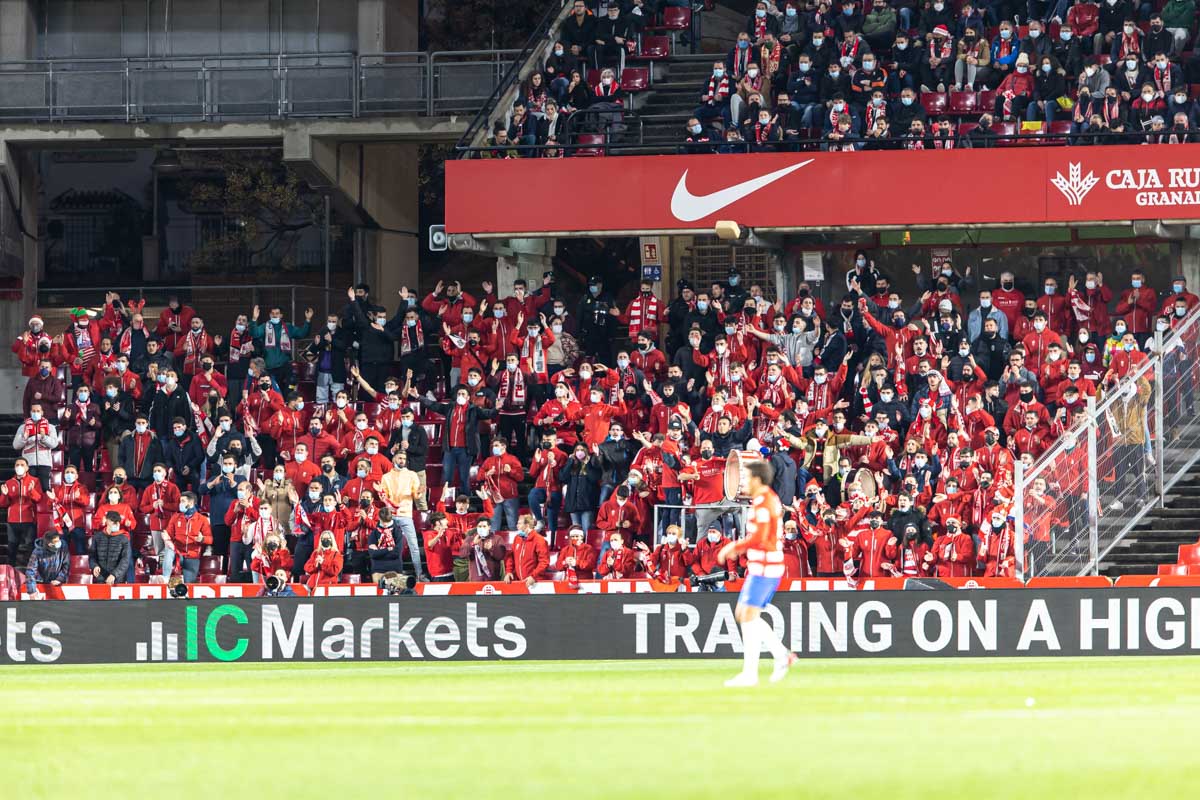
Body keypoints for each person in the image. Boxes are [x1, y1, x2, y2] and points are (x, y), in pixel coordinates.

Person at [718, 460, 797, 687]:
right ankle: (781, 655)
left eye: (745, 476)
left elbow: (761, 537)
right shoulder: (766, 499)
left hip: (766, 566)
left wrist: (734, 547)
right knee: (744, 614)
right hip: (761, 566)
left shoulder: (764, 501)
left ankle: (751, 673)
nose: (742, 481)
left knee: (747, 615)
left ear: (756, 479)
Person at [0, 458, 44, 567]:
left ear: (27, 467)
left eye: (22, 464)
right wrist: (4, 495)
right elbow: (3, 504)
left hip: (28, 519)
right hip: (12, 521)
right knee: (12, 547)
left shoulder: (34, 481)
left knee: (30, 546)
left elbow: (39, 499)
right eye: (17, 465)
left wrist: (32, 491)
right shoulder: (9, 482)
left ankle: (30, 571)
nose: (19, 467)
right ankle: (11, 571)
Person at [165, 492, 211, 582]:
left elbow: (210, 539)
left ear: (191, 502)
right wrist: (166, 538)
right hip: (178, 554)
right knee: (169, 550)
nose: (180, 504)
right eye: (180, 501)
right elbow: (168, 534)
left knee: (189, 586)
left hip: (192, 556)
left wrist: (202, 539)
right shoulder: (175, 517)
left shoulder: (202, 519)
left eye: (183, 501)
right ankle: (165, 578)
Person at [24, 530, 69, 599]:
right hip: (42, 582)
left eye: (59, 539)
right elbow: (30, 571)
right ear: (50, 544)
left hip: (58, 582)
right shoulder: (37, 552)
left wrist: (60, 578)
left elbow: (66, 565)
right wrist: (32, 591)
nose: (59, 542)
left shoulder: (63, 545)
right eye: (56, 541)